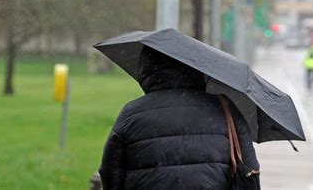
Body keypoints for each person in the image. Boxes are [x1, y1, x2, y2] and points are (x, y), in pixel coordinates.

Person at [99, 46, 260, 189]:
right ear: (196, 69)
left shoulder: (131, 114)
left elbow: (109, 172)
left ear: (147, 69)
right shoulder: (225, 110)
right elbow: (250, 169)